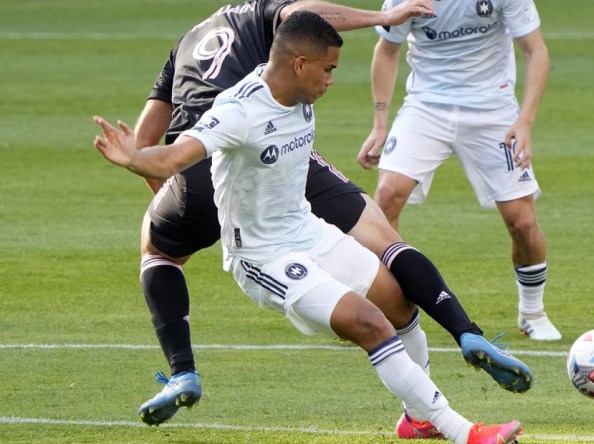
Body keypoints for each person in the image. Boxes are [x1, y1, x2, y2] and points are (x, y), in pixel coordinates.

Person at [93, 12, 524, 444]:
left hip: (309, 233)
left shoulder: (298, 95)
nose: (332, 80)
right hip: (264, 258)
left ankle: (418, 418)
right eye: (329, 69)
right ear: (299, 64)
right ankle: (464, 431)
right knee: (370, 324)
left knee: (400, 307)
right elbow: (174, 158)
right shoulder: (238, 110)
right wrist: (134, 157)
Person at [358, 0, 562, 342]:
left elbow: (535, 50)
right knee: (387, 198)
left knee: (522, 221)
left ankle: (532, 312)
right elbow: (387, 50)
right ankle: (381, 310)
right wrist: (381, 124)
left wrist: (524, 121)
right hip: (426, 107)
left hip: (493, 110)